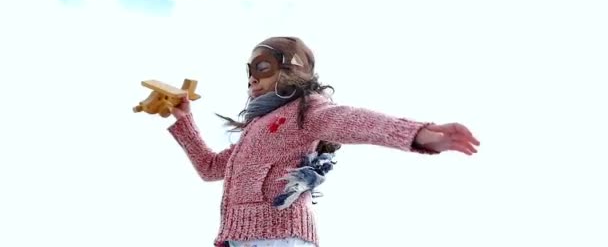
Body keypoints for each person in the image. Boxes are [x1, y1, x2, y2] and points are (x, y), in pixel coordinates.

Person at [166, 36, 480, 247]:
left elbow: (353, 121)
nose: (251, 78)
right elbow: (209, 168)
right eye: (249, 71)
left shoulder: (305, 110)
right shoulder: (254, 131)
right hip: (240, 239)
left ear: (291, 69)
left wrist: (417, 134)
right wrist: (184, 120)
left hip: (278, 237)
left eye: (261, 67)